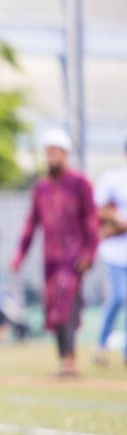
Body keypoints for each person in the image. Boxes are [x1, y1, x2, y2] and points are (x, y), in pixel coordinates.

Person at [10, 129, 99, 377]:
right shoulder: (41, 188)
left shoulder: (81, 184)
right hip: (50, 259)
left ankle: (70, 360)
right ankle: (64, 360)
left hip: (74, 257)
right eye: (48, 153)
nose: (51, 157)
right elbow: (31, 224)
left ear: (65, 154)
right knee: (54, 308)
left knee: (67, 303)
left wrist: (89, 253)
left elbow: (91, 221)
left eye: (55, 152)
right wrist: (19, 255)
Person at [91, 139, 127, 367]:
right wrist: (117, 219)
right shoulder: (113, 179)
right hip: (115, 251)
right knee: (118, 297)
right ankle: (101, 344)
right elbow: (97, 210)